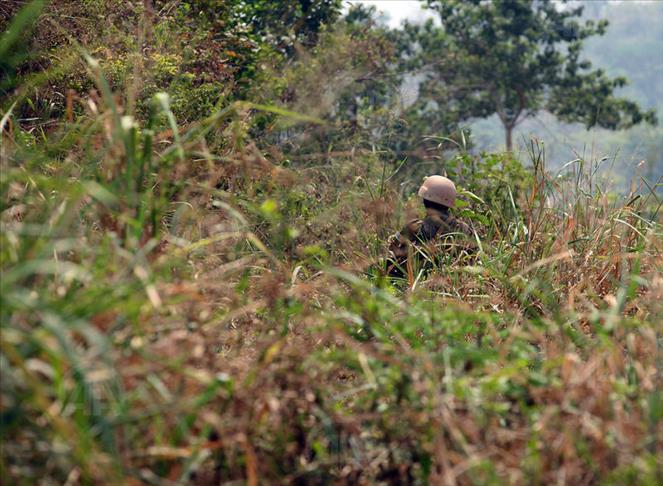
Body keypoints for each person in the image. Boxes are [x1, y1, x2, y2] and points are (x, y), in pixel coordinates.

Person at [386, 175, 474, 279]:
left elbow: (392, 250)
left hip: (416, 282)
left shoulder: (413, 226)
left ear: (425, 201)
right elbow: (472, 258)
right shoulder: (464, 229)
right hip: (453, 281)